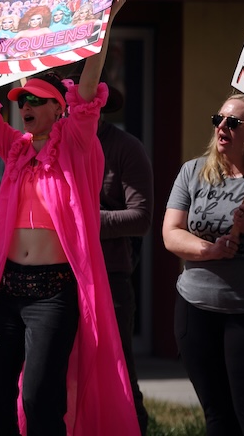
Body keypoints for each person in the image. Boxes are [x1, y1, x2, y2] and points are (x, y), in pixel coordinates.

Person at [0, 0, 140, 435]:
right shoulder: (14, 149)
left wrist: (106, 19)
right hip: (8, 288)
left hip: (53, 293)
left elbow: (88, 85)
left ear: (58, 108)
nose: (22, 105)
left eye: (33, 100)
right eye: (19, 100)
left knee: (42, 400)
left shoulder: (76, 143)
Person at [162, 92, 244, 436]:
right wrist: (210, 251)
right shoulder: (193, 172)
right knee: (218, 418)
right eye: (218, 120)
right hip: (196, 310)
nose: (222, 128)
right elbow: (171, 234)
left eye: (233, 122)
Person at [94, 83, 153, 436]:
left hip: (109, 276)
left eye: (89, 101)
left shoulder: (125, 148)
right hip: (58, 276)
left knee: (117, 370)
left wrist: (82, 219)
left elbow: (141, 218)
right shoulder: (55, 143)